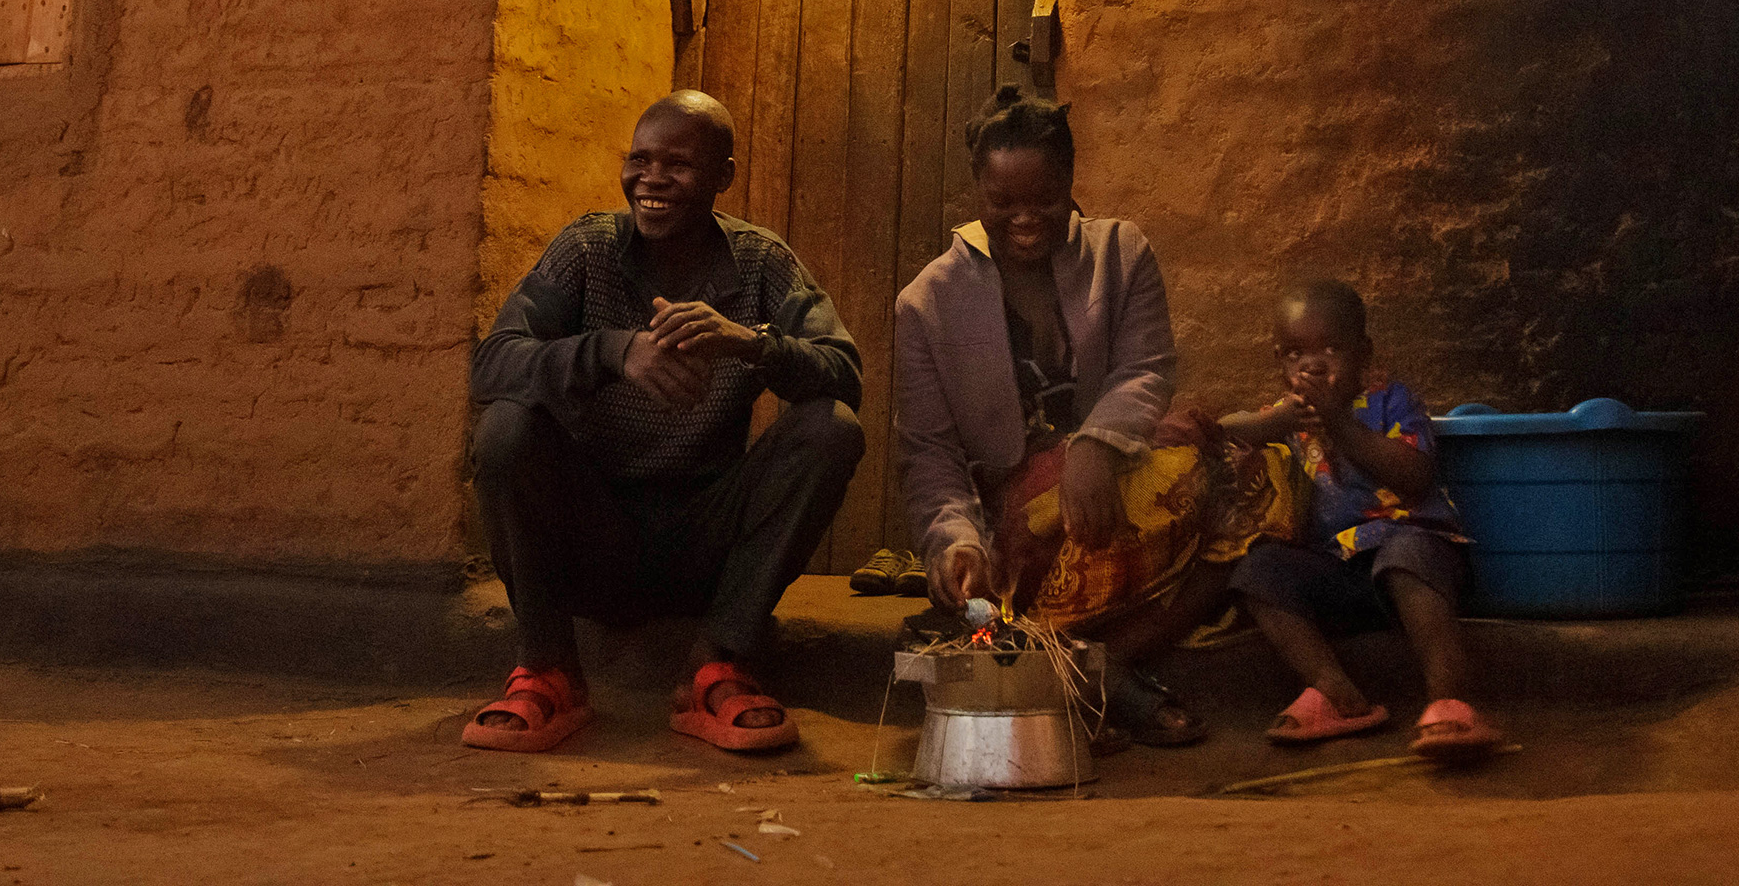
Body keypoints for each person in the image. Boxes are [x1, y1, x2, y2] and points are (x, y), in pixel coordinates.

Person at [464, 90, 865, 755]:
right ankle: (548, 670)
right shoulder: (586, 249)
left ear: (722, 178)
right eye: (639, 159)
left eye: (676, 164)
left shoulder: (761, 262)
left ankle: (717, 666)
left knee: (833, 428)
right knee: (505, 429)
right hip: (593, 536)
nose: (650, 179)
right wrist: (615, 352)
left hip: (703, 541)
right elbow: (493, 363)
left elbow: (843, 370)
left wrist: (749, 344)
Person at [892, 87, 1290, 748]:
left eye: (1043, 201)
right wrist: (954, 542)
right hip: (1019, 532)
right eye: (1001, 204)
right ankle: (1056, 652)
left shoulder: (1121, 254)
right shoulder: (927, 303)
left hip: (1118, 479)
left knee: (1262, 477)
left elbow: (1146, 366)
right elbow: (930, 454)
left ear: (1071, 183)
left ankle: (1101, 662)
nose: (1024, 219)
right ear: (976, 193)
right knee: (987, 591)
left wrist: (1097, 447)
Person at [1219, 277, 1501, 760]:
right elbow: (1226, 430)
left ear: (1363, 352)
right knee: (1255, 571)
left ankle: (1449, 701)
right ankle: (1336, 693)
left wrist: (1341, 424)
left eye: (1330, 348)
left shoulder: (1393, 401)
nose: (1311, 364)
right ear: (1279, 362)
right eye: (1293, 354)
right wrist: (1274, 424)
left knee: (1406, 553)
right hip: (1341, 573)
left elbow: (1414, 476)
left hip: (1419, 567)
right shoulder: (1292, 418)